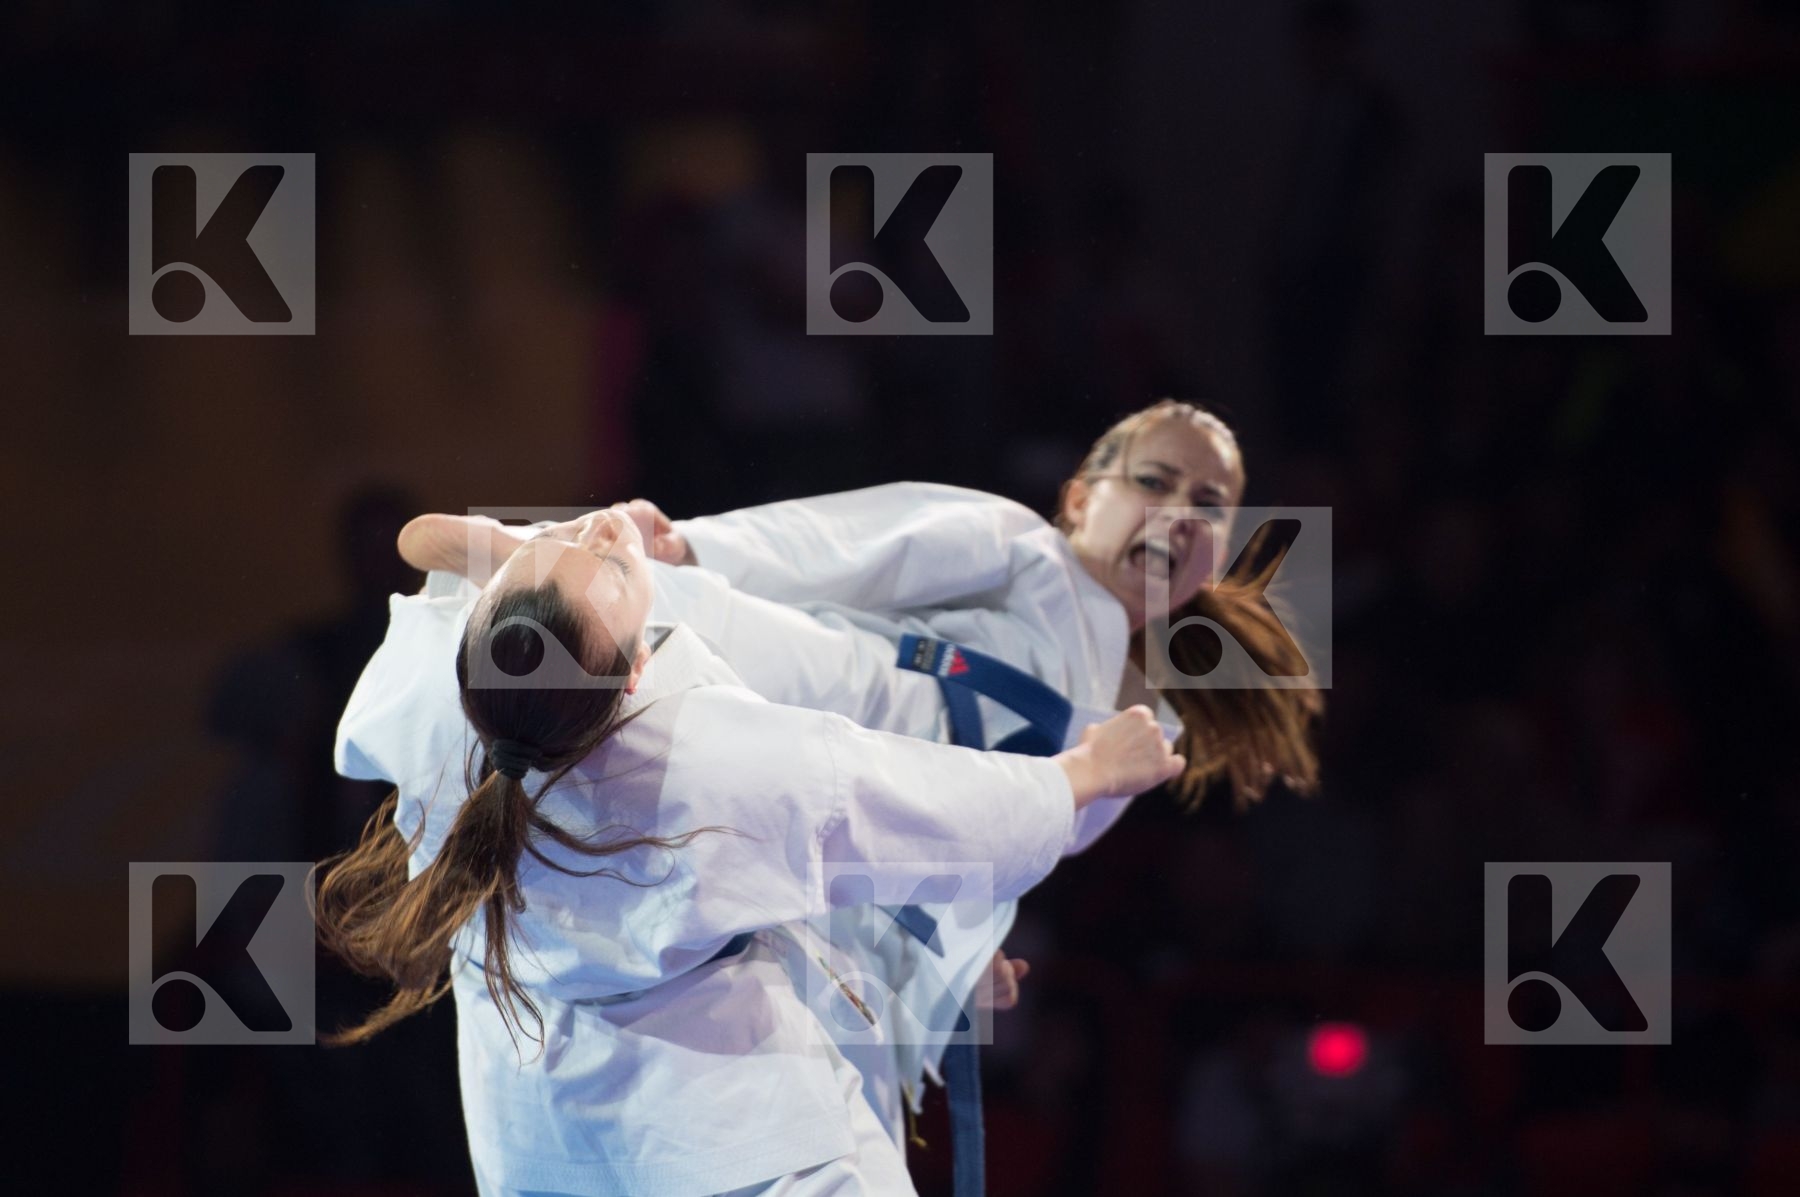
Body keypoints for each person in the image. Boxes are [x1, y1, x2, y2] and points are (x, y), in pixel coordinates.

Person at [396, 399, 1324, 1153]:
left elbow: (988, 849)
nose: (1177, 512)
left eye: (1208, 502)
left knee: (846, 1092)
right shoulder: (1026, 552)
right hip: (871, 698)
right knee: (736, 632)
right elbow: (862, 541)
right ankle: (534, 567)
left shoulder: (1148, 724)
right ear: (1080, 498)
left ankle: (561, 589)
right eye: (1154, 481)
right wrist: (698, 544)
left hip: (870, 873)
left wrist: (963, 955)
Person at [315, 505, 1183, 1197]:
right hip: (728, 1140)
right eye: (611, 566)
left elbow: (419, 543)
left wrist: (538, 552)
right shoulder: (699, 754)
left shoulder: (440, 694)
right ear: (631, 679)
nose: (603, 529)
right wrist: (1082, 774)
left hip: (538, 1129)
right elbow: (907, 806)